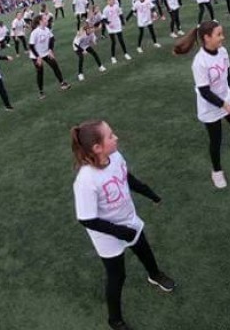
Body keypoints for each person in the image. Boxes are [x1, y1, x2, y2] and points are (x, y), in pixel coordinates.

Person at [70, 120, 176, 330]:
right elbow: (86, 219)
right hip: (107, 235)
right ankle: (115, 320)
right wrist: (120, 232)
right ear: (97, 147)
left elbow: (127, 178)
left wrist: (150, 194)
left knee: (144, 249)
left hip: (128, 220)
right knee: (117, 276)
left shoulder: (115, 157)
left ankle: (154, 275)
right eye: (110, 136)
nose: (116, 137)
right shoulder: (86, 181)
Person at [174, 21, 230, 189]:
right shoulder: (199, 62)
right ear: (207, 38)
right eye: (219, 34)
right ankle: (216, 171)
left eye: (222, 33)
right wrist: (223, 105)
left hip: (226, 99)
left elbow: (227, 73)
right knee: (216, 140)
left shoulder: (222, 51)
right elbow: (204, 92)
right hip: (210, 106)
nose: (222, 37)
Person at [29, 18, 71, 97]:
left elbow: (52, 39)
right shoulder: (35, 32)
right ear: (40, 21)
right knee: (40, 72)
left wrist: (50, 50)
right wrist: (38, 57)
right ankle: (41, 92)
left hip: (46, 53)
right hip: (35, 55)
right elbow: (31, 46)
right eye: (44, 19)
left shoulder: (47, 29)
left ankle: (62, 83)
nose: (46, 20)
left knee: (55, 66)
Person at [102, 0, 133, 64]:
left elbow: (120, 14)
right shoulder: (105, 9)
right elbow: (103, 19)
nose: (111, 1)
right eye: (109, 0)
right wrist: (108, 23)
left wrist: (122, 23)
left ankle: (125, 53)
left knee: (121, 40)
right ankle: (113, 57)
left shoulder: (116, 6)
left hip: (117, 25)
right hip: (111, 27)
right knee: (113, 42)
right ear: (107, 1)